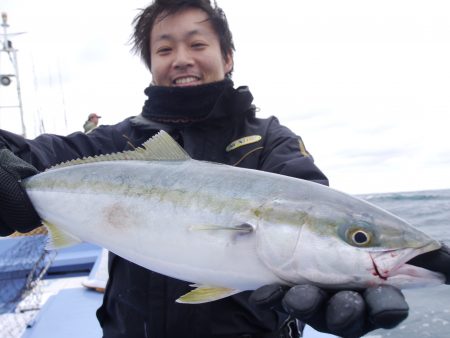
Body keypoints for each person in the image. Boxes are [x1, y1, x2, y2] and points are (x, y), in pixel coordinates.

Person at [0, 1, 449, 337]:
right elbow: (21, 154)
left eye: (197, 43)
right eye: (165, 47)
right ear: (152, 63)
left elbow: (305, 190)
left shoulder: (272, 141)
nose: (182, 58)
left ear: (227, 56)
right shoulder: (119, 143)